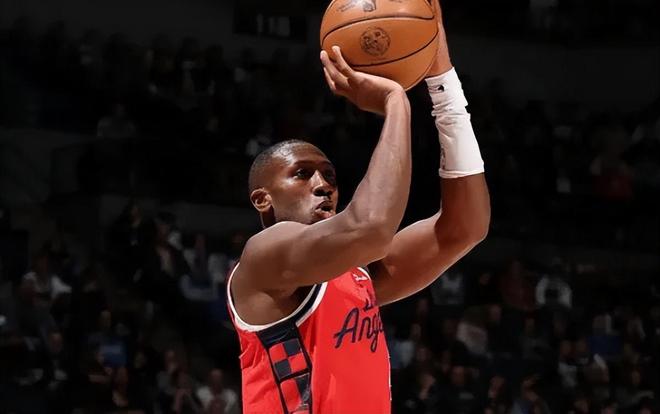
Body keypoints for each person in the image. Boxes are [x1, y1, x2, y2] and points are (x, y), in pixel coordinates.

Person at [226, 1, 490, 413]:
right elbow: (372, 228)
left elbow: (464, 229)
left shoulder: (357, 276)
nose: (323, 185)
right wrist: (396, 103)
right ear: (262, 198)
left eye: (330, 175)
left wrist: (442, 84)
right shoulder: (263, 257)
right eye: (302, 174)